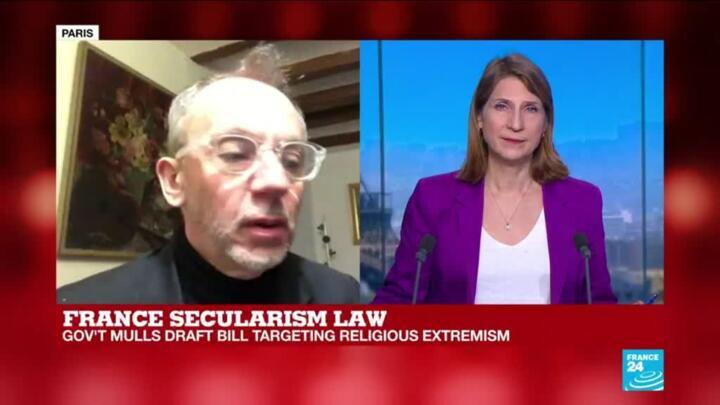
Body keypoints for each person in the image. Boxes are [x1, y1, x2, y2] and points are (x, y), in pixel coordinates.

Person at [58, 45, 359, 304]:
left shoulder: (343, 296)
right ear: (173, 181)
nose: (277, 181)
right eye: (236, 154)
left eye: (292, 161)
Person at [372, 54, 616, 304]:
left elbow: (599, 302)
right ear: (480, 117)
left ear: (545, 125)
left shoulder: (583, 201)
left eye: (531, 109)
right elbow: (400, 298)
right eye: (502, 106)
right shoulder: (432, 198)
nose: (516, 124)